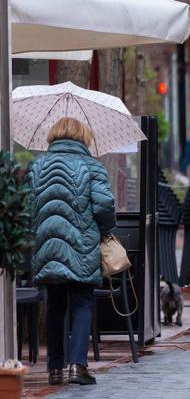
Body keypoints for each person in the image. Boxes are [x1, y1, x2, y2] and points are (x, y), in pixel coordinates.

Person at [29, 118, 116, 385]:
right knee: (82, 302)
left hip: (47, 246)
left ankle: (54, 368)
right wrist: (107, 229)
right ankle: (78, 366)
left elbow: (28, 204)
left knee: (54, 304)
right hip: (81, 245)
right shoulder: (92, 167)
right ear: (83, 137)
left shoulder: (37, 166)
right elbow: (104, 205)